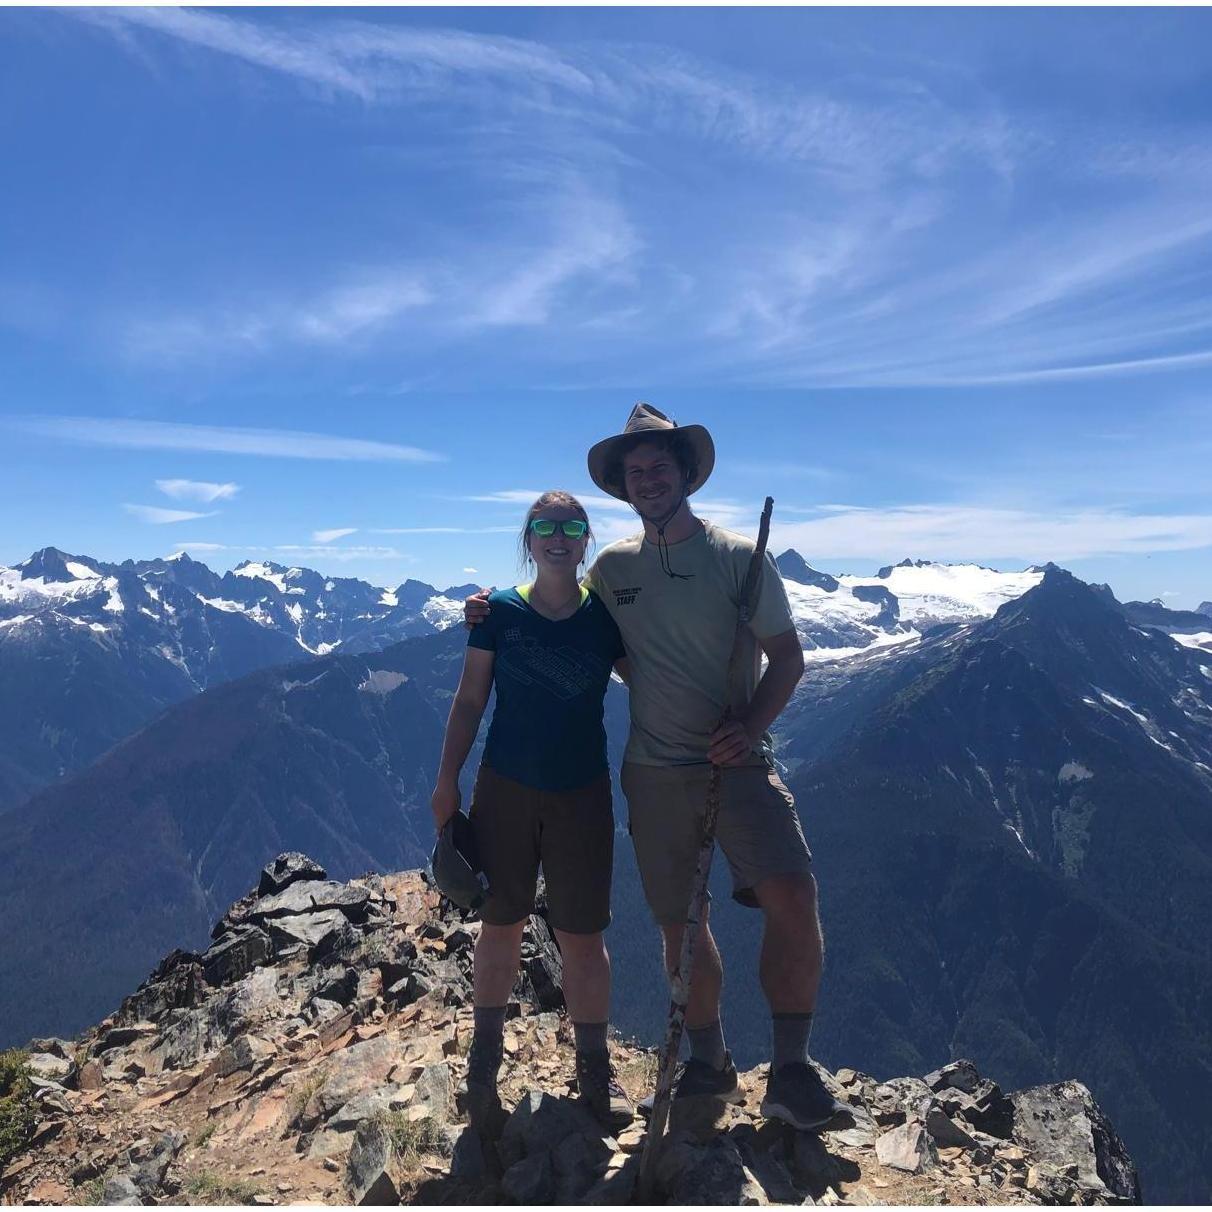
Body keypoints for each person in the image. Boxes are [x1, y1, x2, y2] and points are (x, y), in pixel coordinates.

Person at [466, 404, 841, 1131]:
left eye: (657, 467)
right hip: (655, 771)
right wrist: (487, 611)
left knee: (793, 896)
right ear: (624, 487)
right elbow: (559, 614)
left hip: (738, 762)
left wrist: (750, 727)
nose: (647, 479)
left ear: (685, 473)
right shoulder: (611, 570)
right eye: (634, 471)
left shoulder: (739, 560)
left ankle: (791, 1072)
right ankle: (710, 1064)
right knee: (680, 925)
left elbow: (788, 659)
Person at [432, 490, 634, 1136]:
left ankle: (593, 1067)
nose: (557, 535)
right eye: (544, 525)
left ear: (585, 542)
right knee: (501, 925)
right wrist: (446, 782)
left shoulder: (605, 619)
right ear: (529, 540)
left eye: (571, 526)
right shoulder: (497, 615)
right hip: (507, 790)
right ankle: (483, 1065)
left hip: (581, 793)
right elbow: (469, 701)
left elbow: (656, 685)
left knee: (581, 936)